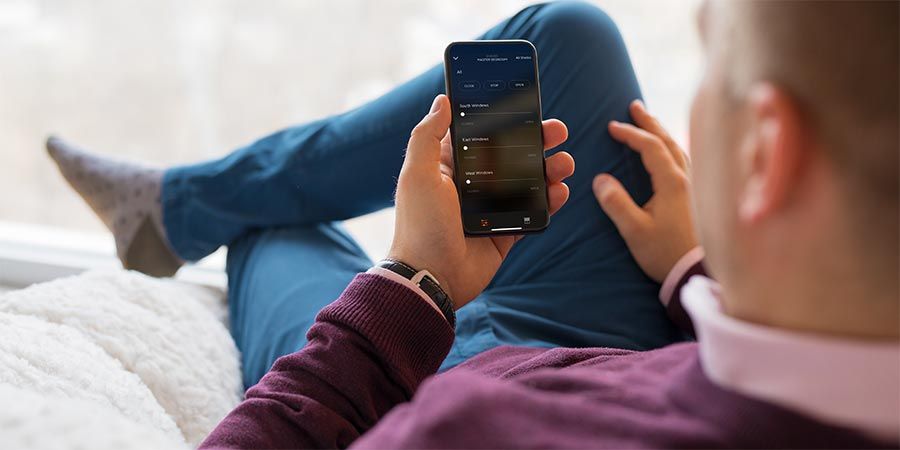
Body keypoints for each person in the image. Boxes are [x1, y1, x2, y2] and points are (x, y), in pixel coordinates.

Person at [48, 1, 898, 448]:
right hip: (634, 344)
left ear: (764, 158)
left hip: (416, 383)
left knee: (275, 231)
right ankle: (180, 206)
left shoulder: (467, 436)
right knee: (567, 34)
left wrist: (413, 285)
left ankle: (187, 210)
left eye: (717, 63)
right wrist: (694, 271)